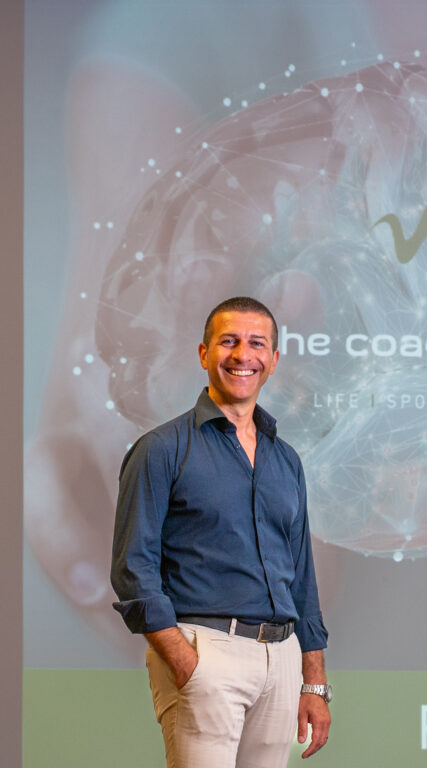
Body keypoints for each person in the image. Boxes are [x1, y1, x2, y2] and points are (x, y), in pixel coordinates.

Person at [111, 296, 332, 767]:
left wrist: (313, 681)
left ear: (274, 360)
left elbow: (302, 577)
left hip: (282, 660)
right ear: (204, 353)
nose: (242, 355)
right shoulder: (161, 449)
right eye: (228, 341)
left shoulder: (286, 460)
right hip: (205, 652)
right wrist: (184, 661)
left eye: (256, 344)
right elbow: (133, 568)